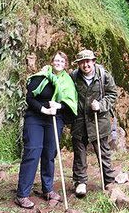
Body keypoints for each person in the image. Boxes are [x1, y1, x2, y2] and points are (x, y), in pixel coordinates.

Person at [15, 52, 78, 209]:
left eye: (62, 61)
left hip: (54, 119)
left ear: (65, 64)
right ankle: (22, 194)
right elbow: (30, 98)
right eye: (56, 60)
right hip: (35, 118)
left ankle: (48, 189)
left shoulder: (68, 81)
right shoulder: (41, 76)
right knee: (33, 152)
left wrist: (59, 106)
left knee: (50, 153)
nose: (58, 63)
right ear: (51, 62)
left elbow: (70, 102)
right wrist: (44, 109)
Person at [70, 48, 118, 196]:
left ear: (93, 61)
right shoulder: (73, 77)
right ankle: (80, 182)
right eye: (82, 62)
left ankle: (108, 181)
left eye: (88, 61)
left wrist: (101, 105)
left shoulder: (104, 76)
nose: (85, 65)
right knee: (80, 153)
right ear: (78, 64)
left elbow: (112, 94)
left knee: (103, 152)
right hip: (79, 121)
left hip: (99, 120)